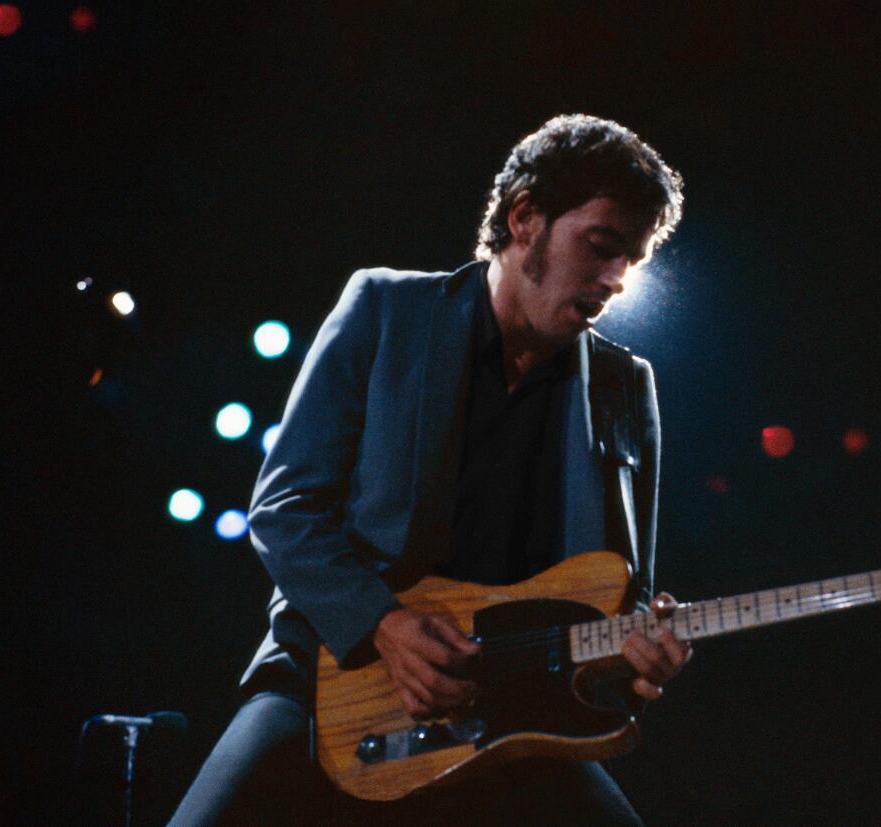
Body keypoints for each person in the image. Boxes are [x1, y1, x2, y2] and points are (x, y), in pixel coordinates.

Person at [171, 114, 689, 825]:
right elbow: (285, 507)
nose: (614, 280)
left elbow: (626, 597)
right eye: (600, 246)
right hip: (333, 675)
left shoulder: (624, 387)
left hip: (516, 707)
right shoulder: (385, 310)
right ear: (525, 217)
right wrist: (382, 623)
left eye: (629, 259)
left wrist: (640, 660)